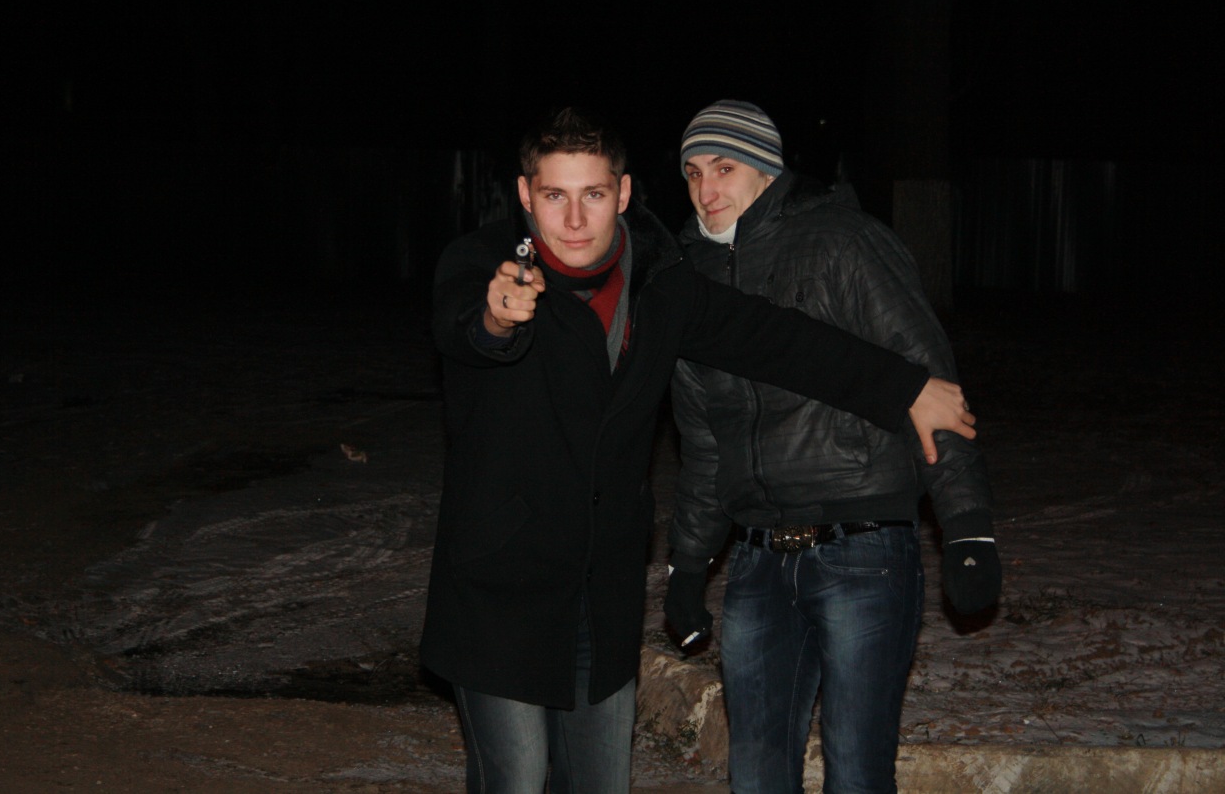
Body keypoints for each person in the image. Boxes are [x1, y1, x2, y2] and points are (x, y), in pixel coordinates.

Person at [422, 106, 976, 794]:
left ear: (623, 193)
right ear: (525, 194)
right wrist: (496, 318)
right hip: (500, 591)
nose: (575, 219)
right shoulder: (484, 264)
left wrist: (905, 388)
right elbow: (466, 327)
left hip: (600, 588)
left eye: (593, 194)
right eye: (555, 195)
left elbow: (776, 339)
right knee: (518, 775)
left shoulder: (662, 283)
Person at [662, 99, 1002, 793]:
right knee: (756, 775)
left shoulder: (841, 242)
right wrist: (689, 566)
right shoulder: (688, 279)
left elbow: (931, 384)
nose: (706, 190)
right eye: (693, 173)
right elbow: (702, 443)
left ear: (765, 168)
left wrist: (968, 527)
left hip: (862, 546)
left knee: (856, 770)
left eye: (724, 168)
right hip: (757, 560)